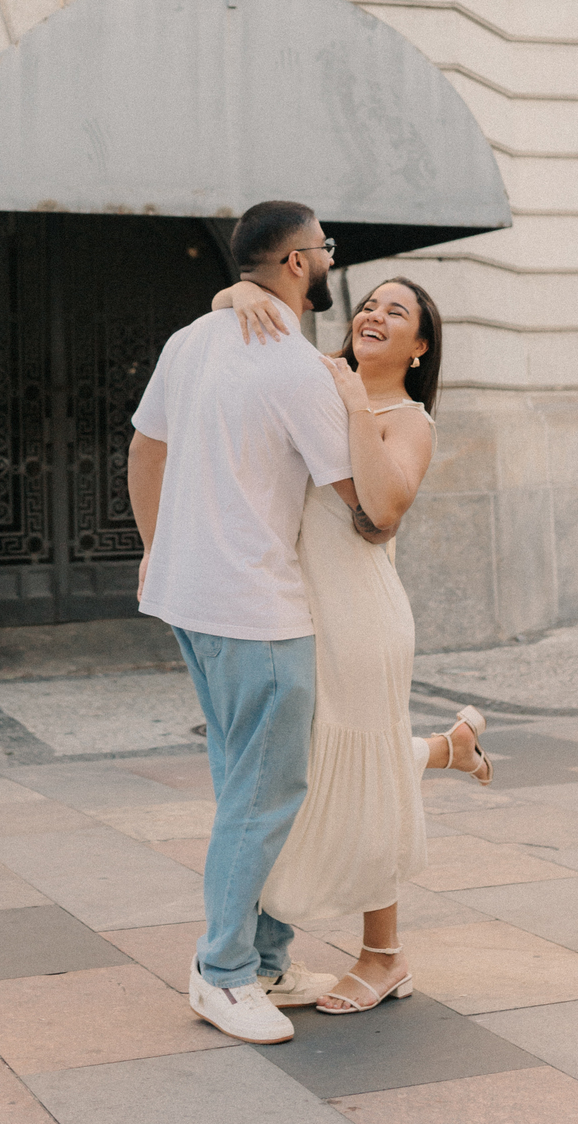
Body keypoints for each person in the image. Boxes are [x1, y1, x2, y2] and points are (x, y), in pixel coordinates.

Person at [128, 199, 384, 1045]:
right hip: (258, 608)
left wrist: (155, 546)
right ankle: (224, 971)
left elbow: (145, 448)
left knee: (256, 787)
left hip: (190, 598)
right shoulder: (298, 368)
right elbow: (364, 506)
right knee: (263, 796)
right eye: (324, 248)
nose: (330, 259)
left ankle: (266, 958)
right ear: (297, 262)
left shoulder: (190, 340)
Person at [211, 271, 492, 1014]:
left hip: (364, 619)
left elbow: (383, 509)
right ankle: (445, 748)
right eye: (369, 304)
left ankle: (384, 955)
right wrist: (243, 294)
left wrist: (356, 404)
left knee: (365, 776)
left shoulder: (408, 419)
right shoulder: (319, 380)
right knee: (316, 761)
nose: (374, 314)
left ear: (419, 347)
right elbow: (231, 311)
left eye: (396, 312)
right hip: (302, 609)